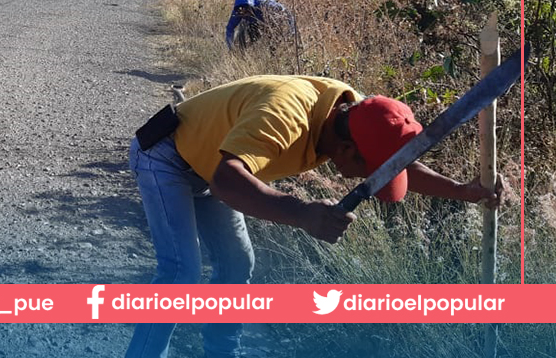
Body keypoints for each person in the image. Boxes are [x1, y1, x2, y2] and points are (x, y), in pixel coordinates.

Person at [125, 76, 505, 358]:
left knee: (237, 262)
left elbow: (395, 163)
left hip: (213, 166)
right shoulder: (284, 117)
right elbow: (228, 181)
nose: (365, 180)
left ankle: (221, 353)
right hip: (167, 158)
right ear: (344, 149)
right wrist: (303, 213)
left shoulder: (361, 116)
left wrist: (461, 191)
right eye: (365, 170)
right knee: (181, 273)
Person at [225, 0, 295, 51]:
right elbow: (230, 28)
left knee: (274, 44)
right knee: (241, 45)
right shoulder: (237, 12)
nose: (244, 15)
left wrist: (292, 30)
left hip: (270, 20)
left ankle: (273, 56)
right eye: (242, 14)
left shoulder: (264, 3)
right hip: (254, 23)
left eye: (246, 12)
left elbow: (286, 11)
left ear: (249, 7)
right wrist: (230, 46)